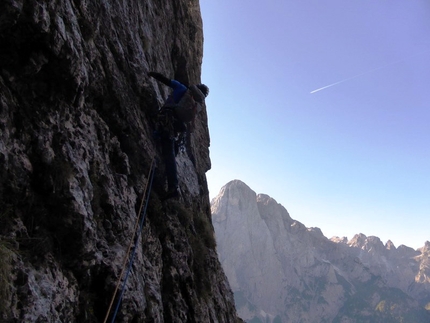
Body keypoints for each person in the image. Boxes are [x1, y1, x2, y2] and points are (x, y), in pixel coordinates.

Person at [149, 72, 209, 199]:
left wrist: (151, 73)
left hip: (167, 119)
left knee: (168, 149)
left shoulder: (183, 89)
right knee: (171, 149)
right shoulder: (197, 106)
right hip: (178, 127)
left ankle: (173, 187)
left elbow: (165, 80)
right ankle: (170, 181)